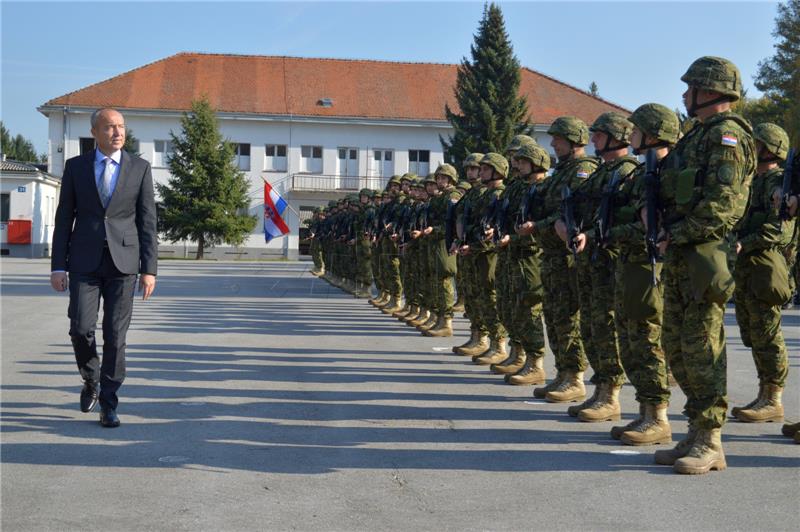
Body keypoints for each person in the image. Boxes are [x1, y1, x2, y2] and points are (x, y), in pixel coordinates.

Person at [649, 57, 756, 474]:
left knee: (703, 347)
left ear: (709, 90)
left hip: (704, 252)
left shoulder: (727, 136)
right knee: (676, 344)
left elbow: (724, 206)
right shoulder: (698, 137)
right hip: (681, 250)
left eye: (690, 87)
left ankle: (711, 440)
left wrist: (678, 231)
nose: (683, 94)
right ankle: (694, 431)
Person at [50, 107, 158, 428]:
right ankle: (91, 379)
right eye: (110, 127)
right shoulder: (76, 168)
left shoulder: (139, 168)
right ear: (94, 132)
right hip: (83, 261)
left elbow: (147, 222)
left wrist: (149, 268)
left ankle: (109, 404)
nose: (117, 132)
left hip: (123, 265)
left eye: (121, 126)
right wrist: (58, 266)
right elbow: (63, 219)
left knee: (115, 336)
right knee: (81, 329)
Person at [731, 123, 795, 423]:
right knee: (753, 332)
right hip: (747, 269)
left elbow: (779, 229)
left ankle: (773, 398)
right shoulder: (752, 181)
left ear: (768, 149)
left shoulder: (778, 183)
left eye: (755, 144)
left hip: (767, 268)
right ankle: (763, 392)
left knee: (767, 332)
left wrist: (745, 241)